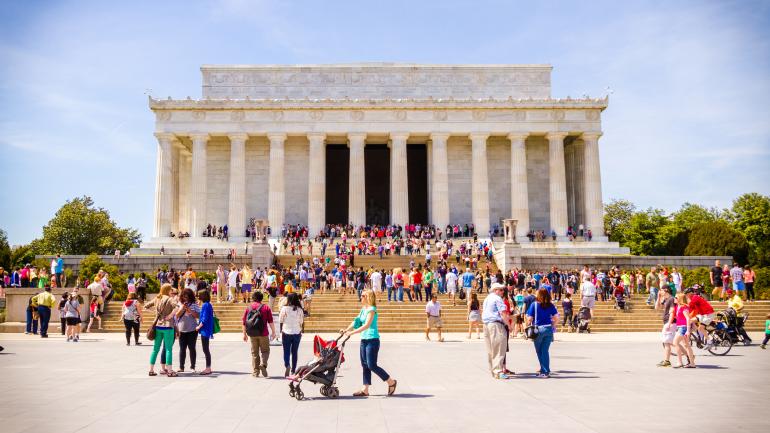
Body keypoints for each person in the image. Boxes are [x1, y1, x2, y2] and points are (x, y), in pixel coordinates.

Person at [341, 289, 397, 397]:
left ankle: (391, 382)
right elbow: (356, 321)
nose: (361, 297)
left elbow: (366, 325)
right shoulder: (364, 309)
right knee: (365, 365)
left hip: (372, 340)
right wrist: (346, 329)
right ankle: (365, 389)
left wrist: (351, 333)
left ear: (368, 297)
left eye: (363, 295)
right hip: (364, 339)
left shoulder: (372, 309)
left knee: (371, 365)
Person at [146, 283, 178, 376]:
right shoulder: (170, 299)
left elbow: (145, 306)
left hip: (157, 326)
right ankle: (170, 371)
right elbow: (177, 307)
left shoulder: (157, 298)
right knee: (168, 349)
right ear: (168, 290)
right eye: (171, 290)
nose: (172, 292)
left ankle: (151, 370)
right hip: (168, 326)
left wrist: (155, 313)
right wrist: (171, 315)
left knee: (155, 349)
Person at [526, 288, 559, 378]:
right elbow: (556, 318)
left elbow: (529, 319)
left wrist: (527, 325)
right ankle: (544, 369)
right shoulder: (550, 305)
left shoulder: (534, 305)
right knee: (545, 350)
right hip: (548, 329)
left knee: (539, 351)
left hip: (538, 329)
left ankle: (545, 371)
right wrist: (552, 325)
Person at [243, 291, 276, 378]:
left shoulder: (248, 308)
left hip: (252, 334)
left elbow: (244, 322)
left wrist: (244, 334)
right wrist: (273, 332)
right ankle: (263, 364)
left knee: (254, 353)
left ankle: (255, 371)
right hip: (263, 333)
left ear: (253, 298)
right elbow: (271, 321)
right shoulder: (266, 308)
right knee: (265, 351)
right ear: (261, 298)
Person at [482, 283, 511, 379]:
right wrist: (509, 325)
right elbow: (503, 313)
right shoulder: (497, 298)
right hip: (496, 324)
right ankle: (498, 371)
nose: (503, 292)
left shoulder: (487, 298)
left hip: (486, 324)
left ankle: (493, 370)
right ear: (495, 290)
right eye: (501, 290)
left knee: (491, 350)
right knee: (499, 348)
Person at [175, 288, 200, 372]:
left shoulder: (194, 304)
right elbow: (176, 316)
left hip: (192, 329)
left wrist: (190, 310)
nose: (185, 298)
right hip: (181, 329)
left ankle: (193, 367)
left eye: (187, 296)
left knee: (192, 348)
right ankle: (181, 367)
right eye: (184, 296)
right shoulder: (179, 304)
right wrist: (182, 308)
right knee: (182, 349)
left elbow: (198, 316)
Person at [279, 292, 304, 377]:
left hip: (286, 332)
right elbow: (301, 321)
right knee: (294, 352)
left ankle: (287, 365)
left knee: (286, 351)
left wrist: (280, 330)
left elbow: (281, 320)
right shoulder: (300, 310)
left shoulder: (284, 309)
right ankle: (293, 370)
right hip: (297, 332)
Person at [673, 293, 696, 368]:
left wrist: (688, 330)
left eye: (676, 297)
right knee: (687, 345)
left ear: (680, 299)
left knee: (675, 342)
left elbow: (688, 318)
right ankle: (692, 363)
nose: (674, 298)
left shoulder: (684, 307)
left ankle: (680, 362)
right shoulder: (677, 306)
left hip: (683, 327)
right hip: (680, 327)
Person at [196, 290, 214, 375]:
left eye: (199, 295)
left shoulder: (205, 305)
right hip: (206, 329)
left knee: (205, 349)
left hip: (205, 329)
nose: (198, 296)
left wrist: (199, 326)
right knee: (206, 349)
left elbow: (204, 317)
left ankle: (208, 368)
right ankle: (208, 367)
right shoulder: (208, 304)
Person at [657, 288, 676, 367]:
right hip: (667, 322)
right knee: (672, 343)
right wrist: (658, 297)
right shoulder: (666, 299)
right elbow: (657, 308)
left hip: (669, 323)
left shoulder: (671, 299)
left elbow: (672, 312)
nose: (660, 292)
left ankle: (667, 361)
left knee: (666, 343)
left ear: (666, 290)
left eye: (661, 290)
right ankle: (689, 356)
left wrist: (669, 323)